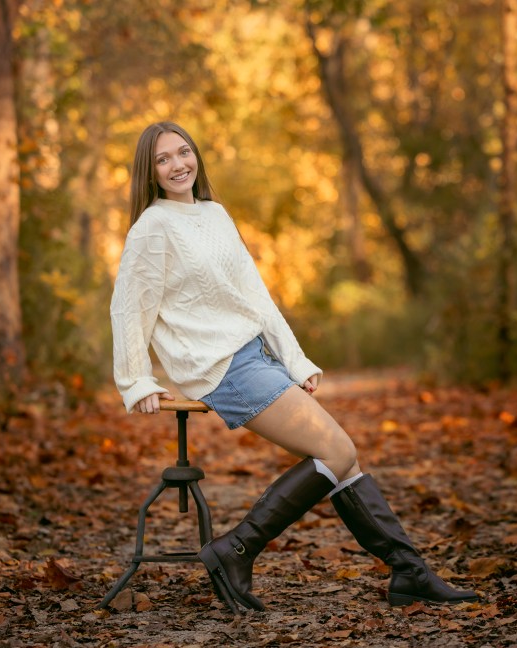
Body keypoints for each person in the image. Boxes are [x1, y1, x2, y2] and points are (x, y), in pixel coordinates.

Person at [110, 121, 477, 613]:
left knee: (344, 459)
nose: (178, 165)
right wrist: (136, 380)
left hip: (255, 354)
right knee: (338, 448)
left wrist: (294, 358)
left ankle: (409, 573)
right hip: (220, 365)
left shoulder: (215, 214)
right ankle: (236, 548)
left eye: (184, 152)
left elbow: (255, 296)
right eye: (163, 159)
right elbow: (130, 305)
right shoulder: (152, 228)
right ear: (149, 172)